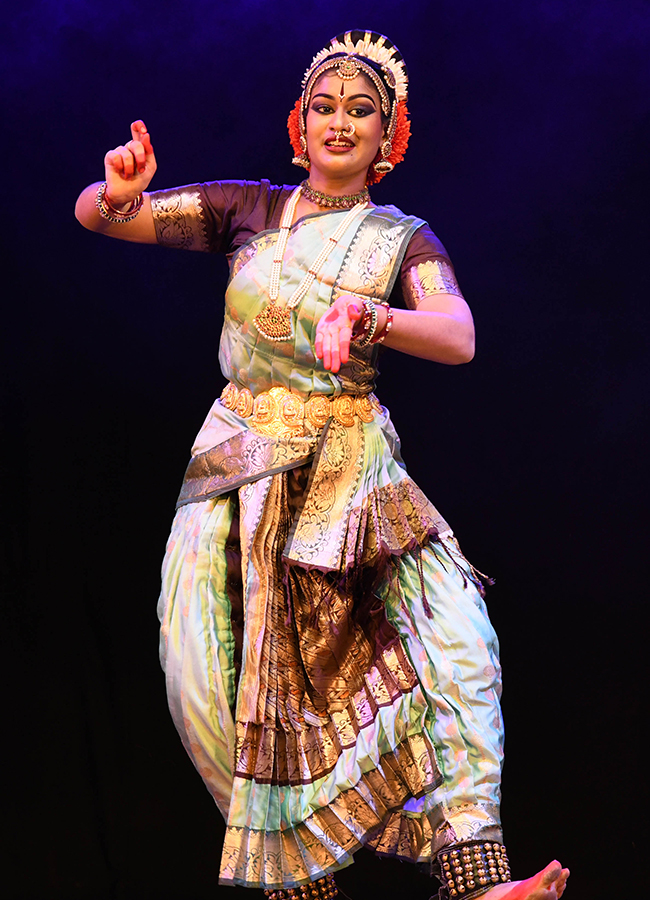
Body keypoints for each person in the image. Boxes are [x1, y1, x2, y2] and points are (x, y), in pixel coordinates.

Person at [75, 29, 569, 900]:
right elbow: (107, 218)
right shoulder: (249, 210)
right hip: (238, 467)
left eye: (361, 112)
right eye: (325, 109)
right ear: (300, 125)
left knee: (457, 637)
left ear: (389, 136)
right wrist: (115, 195)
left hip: (354, 472)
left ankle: (475, 870)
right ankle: (296, 881)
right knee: (202, 676)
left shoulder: (402, 240)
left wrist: (372, 320)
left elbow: (456, 335)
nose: (340, 123)